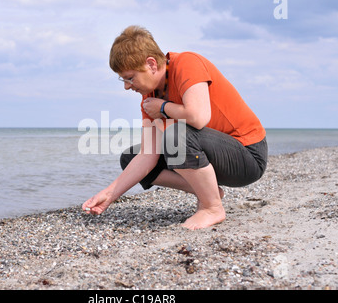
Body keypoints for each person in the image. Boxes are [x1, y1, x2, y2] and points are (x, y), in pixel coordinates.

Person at [82, 25, 268, 230]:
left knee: (174, 134)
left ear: (151, 64)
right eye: (123, 79)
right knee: (130, 157)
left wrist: (163, 107)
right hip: (210, 157)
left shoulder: (187, 63)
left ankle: (212, 207)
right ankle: (209, 191)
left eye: (130, 77)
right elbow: (147, 155)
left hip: (247, 156)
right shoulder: (149, 96)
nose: (127, 86)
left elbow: (198, 117)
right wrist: (109, 194)